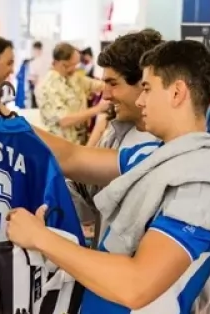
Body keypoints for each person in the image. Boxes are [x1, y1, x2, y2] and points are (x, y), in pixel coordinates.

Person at [0, 40, 210, 313]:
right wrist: (2, 114)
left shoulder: (204, 187)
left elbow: (136, 284)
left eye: (148, 89)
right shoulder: (158, 158)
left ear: (177, 92)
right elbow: (73, 156)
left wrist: (41, 239)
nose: (140, 100)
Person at [73, 29, 161, 229]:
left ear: (145, 82)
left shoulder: (166, 147)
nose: (105, 95)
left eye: (113, 84)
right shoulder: (116, 131)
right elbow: (90, 192)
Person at [36, 42, 107, 144]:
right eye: (72, 65)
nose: (75, 68)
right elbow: (64, 120)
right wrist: (98, 109)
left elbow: (97, 85)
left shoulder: (73, 78)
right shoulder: (48, 86)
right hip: (61, 147)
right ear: (62, 64)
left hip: (80, 144)